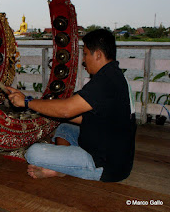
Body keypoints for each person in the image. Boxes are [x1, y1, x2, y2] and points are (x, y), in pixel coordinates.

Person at [7, 29, 136, 182]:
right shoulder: (114, 75)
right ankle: (63, 166)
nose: (84, 60)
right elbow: (82, 117)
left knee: (33, 153)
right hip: (115, 154)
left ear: (98, 55)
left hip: (105, 165)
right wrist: (38, 106)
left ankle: (62, 167)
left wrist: (27, 102)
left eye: (86, 54)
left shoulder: (105, 81)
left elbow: (67, 110)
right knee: (64, 129)